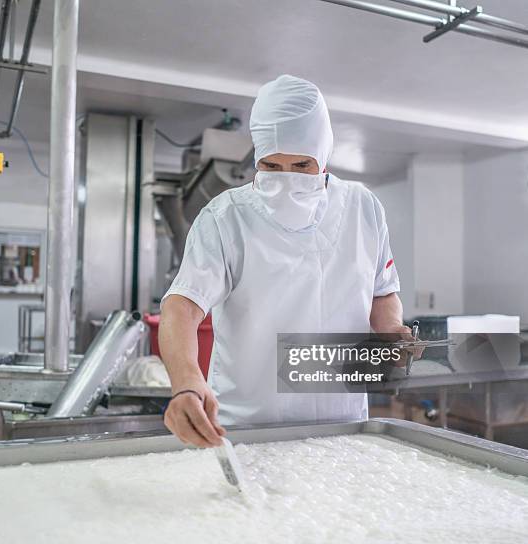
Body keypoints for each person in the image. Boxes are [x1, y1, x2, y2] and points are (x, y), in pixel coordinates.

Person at [159, 74, 415, 448]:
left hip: (343, 426)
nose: (287, 180)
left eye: (301, 165)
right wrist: (186, 383)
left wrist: (393, 332)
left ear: (324, 158)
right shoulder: (226, 216)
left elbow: (381, 292)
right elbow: (182, 305)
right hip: (248, 429)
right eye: (272, 167)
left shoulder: (363, 208)